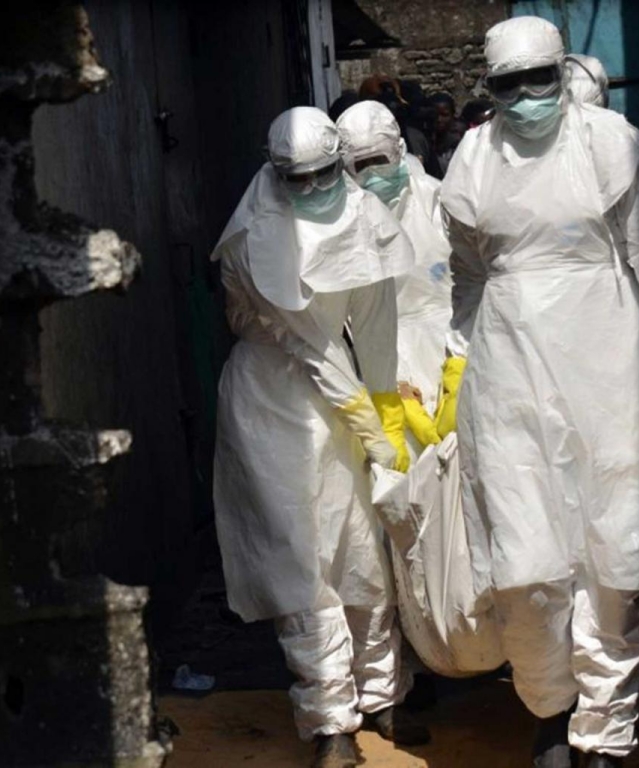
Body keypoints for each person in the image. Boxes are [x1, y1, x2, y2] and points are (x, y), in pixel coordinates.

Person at [438, 17, 639, 768]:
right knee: (525, 568)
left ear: (562, 73)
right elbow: (465, 275)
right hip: (508, 371)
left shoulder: (615, 147)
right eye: (509, 85)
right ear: (488, 90)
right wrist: (455, 362)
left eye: (540, 80)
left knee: (620, 560)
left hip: (611, 363)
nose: (527, 98)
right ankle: (550, 708)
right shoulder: (473, 158)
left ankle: (605, 729)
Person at [212, 106, 430, 768]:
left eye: (323, 175)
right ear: (278, 174)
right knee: (301, 560)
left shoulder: (363, 215)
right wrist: (369, 418)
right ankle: (330, 722)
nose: (313, 189)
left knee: (362, 543)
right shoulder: (257, 235)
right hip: (273, 401)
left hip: (345, 396)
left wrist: (389, 401)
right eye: (298, 179)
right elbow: (310, 346)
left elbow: (375, 317)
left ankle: (388, 694)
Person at [564, 51, 639, 721]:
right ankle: (586, 693)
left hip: (629, 376)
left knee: (634, 544)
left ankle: (621, 695)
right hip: (562, 382)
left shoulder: (632, 159)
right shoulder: (506, 170)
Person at [335, 100, 452, 453]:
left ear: (399, 151)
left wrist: (462, 365)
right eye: (361, 165)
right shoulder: (341, 223)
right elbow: (347, 320)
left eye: (379, 162)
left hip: (452, 348)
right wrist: (391, 385)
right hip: (383, 363)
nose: (371, 174)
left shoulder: (437, 201)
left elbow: (473, 284)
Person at [429, 92, 463, 178]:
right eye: (435, 115)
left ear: (453, 115)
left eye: (444, 115)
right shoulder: (423, 142)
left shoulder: (461, 144)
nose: (439, 119)